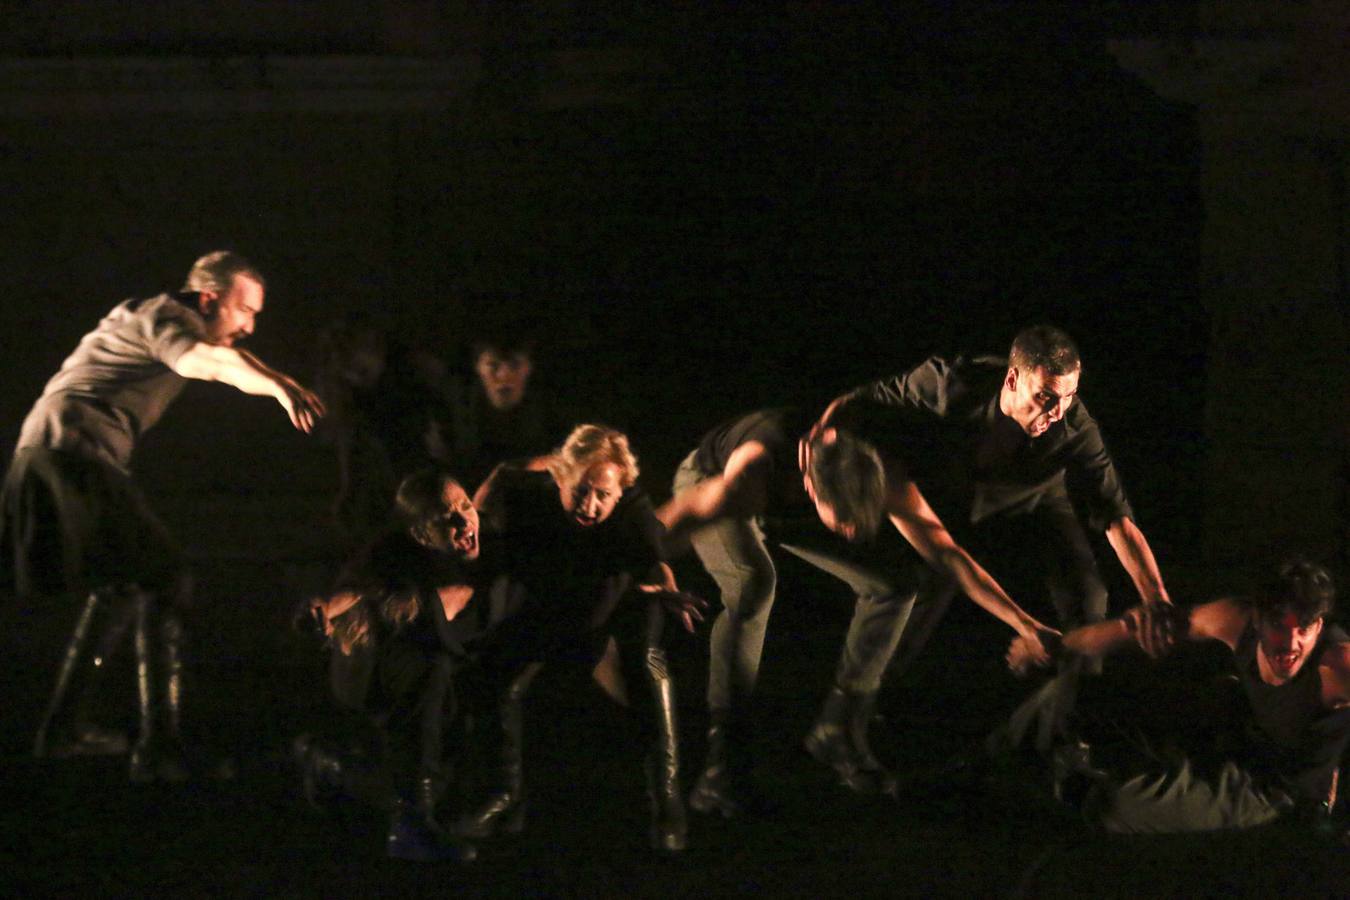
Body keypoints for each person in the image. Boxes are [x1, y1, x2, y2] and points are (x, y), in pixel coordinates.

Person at [1, 250, 324, 781]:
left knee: (127, 586)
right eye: (245, 311)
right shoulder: (168, 320)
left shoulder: (156, 315)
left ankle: (64, 731)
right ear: (208, 300)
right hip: (70, 454)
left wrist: (280, 379)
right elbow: (213, 364)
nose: (249, 325)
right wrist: (277, 389)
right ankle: (159, 749)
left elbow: (236, 357)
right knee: (166, 578)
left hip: (61, 453)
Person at [658, 408, 1055, 813]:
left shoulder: (878, 470)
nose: (853, 532)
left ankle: (838, 727)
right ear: (811, 487)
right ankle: (721, 764)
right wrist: (645, 572)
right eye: (846, 520)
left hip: (789, 505)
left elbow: (946, 553)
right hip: (709, 478)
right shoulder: (749, 475)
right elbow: (669, 522)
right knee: (752, 584)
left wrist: (1025, 623)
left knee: (895, 585)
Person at [819, 325, 1171, 753]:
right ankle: (867, 708)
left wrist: (1156, 599)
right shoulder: (952, 382)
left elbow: (1116, 518)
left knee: (1088, 596)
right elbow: (866, 398)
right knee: (924, 585)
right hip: (956, 497)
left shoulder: (1075, 426)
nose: (1058, 411)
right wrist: (822, 433)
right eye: (1046, 396)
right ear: (1012, 380)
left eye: (1069, 396)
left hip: (1037, 500)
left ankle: (1071, 729)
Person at [454, 424, 704, 852]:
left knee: (647, 655)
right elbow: (497, 488)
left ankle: (667, 804)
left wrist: (667, 587)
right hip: (550, 607)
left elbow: (654, 565)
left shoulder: (633, 511)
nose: (589, 505)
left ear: (619, 493)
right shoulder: (530, 496)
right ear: (560, 477)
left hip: (610, 612)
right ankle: (503, 795)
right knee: (490, 672)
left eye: (602, 495)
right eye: (581, 490)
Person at [1007, 558, 1350, 834]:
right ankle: (991, 762)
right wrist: (1050, 648)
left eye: (1304, 630)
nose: (1291, 645)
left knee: (1111, 805)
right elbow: (1135, 630)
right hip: (1233, 733)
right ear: (1258, 618)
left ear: (1318, 627)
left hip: (1271, 788)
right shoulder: (1236, 618)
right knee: (1067, 691)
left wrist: (1330, 783)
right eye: (1279, 626)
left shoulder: (1337, 666)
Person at [295, 469, 481, 862]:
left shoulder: (478, 544)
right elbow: (352, 587)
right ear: (420, 533)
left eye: (465, 505)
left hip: (429, 679)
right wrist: (321, 610)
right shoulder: (392, 554)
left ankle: (332, 766)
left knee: (434, 770)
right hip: (379, 675)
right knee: (417, 761)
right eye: (444, 517)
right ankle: (408, 825)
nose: (463, 519)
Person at [433, 323, 564, 492]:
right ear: (478, 368)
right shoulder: (452, 415)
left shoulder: (551, 415)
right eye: (493, 366)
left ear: (529, 368)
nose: (503, 375)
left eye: (515, 365)